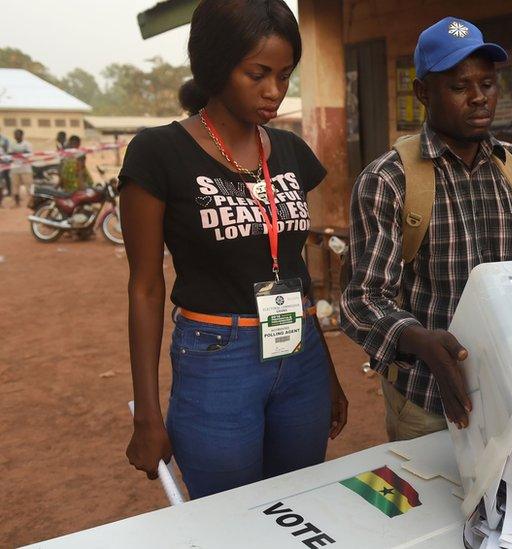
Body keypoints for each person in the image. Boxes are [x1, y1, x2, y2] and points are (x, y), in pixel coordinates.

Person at [121, 0, 347, 499]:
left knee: (298, 506)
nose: (274, 91)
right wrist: (148, 414)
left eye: (285, 75)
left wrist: (325, 370)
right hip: (217, 361)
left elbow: (293, 270)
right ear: (216, 65)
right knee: (230, 519)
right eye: (257, 73)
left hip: (299, 353)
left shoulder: (289, 152)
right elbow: (145, 286)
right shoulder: (159, 153)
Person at [341, 17, 512, 442]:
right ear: (424, 92)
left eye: (488, 84)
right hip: (427, 399)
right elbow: (362, 300)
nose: (479, 98)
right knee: (432, 501)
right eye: (460, 87)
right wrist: (421, 342)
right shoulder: (389, 180)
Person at [8, 129, 32, 207]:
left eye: (17, 134)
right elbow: (9, 153)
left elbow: (29, 154)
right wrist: (21, 153)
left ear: (22, 135)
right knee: (15, 186)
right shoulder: (11, 144)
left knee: (29, 185)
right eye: (15, 134)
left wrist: (17, 153)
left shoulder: (27, 144)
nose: (16, 136)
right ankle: (17, 203)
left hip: (26, 168)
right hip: (14, 168)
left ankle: (33, 201)